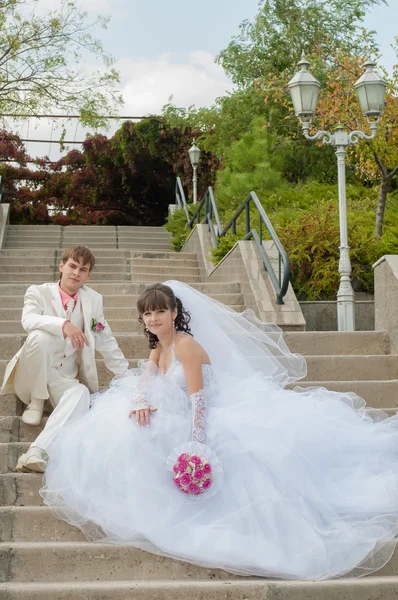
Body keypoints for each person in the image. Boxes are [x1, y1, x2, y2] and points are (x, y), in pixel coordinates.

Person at [41, 281, 398, 580]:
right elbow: (142, 386)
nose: (153, 318)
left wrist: (197, 447)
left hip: (209, 414)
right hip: (177, 412)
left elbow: (199, 401)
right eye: (147, 313)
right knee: (123, 421)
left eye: (159, 312)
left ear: (174, 313)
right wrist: (138, 401)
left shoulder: (186, 346)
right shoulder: (157, 350)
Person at [0, 245, 129, 473]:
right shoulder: (38, 292)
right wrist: (63, 324)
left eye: (83, 269)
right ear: (62, 266)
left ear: (88, 275)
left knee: (80, 393)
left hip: (62, 377)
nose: (76, 272)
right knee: (41, 337)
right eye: (72, 266)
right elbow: (28, 320)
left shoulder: (93, 301)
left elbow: (104, 337)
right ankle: (36, 400)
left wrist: (126, 375)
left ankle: (36, 451)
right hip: (32, 374)